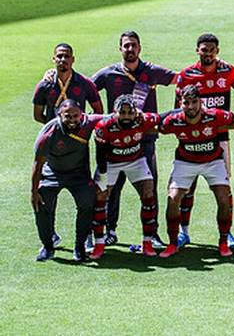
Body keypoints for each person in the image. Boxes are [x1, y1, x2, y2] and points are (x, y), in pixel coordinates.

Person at [91, 31, 176, 247]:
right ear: (120, 48)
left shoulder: (151, 71)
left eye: (133, 45)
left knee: (149, 187)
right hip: (115, 139)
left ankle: (152, 234)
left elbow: (181, 79)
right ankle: (110, 231)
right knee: (112, 187)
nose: (130, 49)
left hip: (145, 138)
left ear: (140, 48)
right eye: (126, 46)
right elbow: (86, 88)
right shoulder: (109, 73)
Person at [156, 85, 234, 258]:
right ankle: (172, 243)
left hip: (213, 162)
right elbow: (153, 126)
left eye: (194, 102)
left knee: (224, 198)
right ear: (181, 103)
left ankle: (223, 241)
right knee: (173, 199)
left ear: (201, 102)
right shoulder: (173, 120)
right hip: (185, 162)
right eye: (187, 103)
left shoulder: (214, 115)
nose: (191, 107)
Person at [172, 33, 234, 248]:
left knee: (223, 188)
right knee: (187, 188)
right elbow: (178, 108)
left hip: (220, 137)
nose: (208, 53)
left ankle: (227, 234)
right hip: (191, 139)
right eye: (204, 49)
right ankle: (184, 232)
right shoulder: (187, 75)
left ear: (217, 51)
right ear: (197, 50)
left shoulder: (228, 71)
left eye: (211, 49)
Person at [91, 95, 161, 257]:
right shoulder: (104, 126)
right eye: (122, 112)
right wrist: (102, 178)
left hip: (136, 161)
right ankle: (99, 244)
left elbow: (164, 116)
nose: (127, 116)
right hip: (110, 163)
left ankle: (148, 242)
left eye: (130, 112)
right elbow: (100, 155)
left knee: (149, 193)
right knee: (100, 197)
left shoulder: (142, 119)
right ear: (115, 112)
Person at [31, 99, 97, 262]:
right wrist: (34, 192)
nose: (73, 120)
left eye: (76, 115)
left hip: (79, 174)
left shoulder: (87, 123)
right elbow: (37, 164)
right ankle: (47, 246)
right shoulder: (49, 133)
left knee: (87, 203)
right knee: (41, 204)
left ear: (81, 114)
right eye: (68, 116)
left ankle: (80, 247)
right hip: (52, 172)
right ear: (59, 115)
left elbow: (112, 117)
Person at [33, 43, 103, 124]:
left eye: (66, 56)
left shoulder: (85, 83)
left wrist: (84, 125)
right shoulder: (44, 85)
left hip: (78, 134)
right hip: (54, 135)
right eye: (59, 56)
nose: (63, 59)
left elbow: (98, 111)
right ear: (54, 59)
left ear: (73, 59)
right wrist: (54, 126)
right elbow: (37, 115)